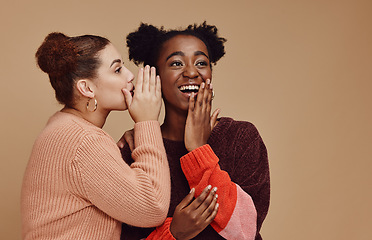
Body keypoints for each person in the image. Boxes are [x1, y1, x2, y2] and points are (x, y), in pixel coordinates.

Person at [119, 22, 270, 240]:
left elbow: (245, 230)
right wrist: (174, 233)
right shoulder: (136, 149)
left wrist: (198, 150)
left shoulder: (241, 137)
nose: (191, 72)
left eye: (201, 62)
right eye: (176, 63)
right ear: (156, 76)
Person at [21, 32, 172, 239]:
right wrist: (147, 122)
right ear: (86, 88)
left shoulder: (63, 128)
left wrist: (138, 137)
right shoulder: (84, 141)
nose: (129, 76)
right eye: (117, 69)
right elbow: (153, 207)